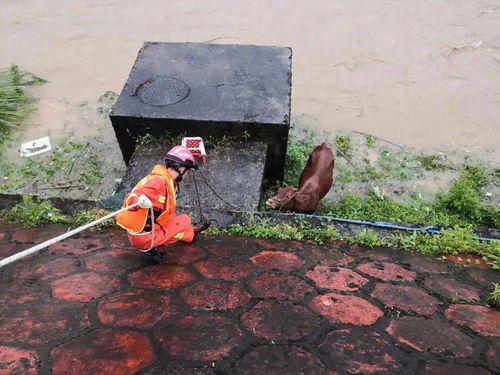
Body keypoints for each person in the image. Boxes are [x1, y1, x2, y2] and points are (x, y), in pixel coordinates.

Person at [116, 145, 210, 261]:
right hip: (145, 239)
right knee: (185, 220)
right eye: (188, 171)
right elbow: (130, 198)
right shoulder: (158, 183)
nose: (187, 175)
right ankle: (192, 231)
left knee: (175, 220)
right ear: (181, 168)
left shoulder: (164, 180)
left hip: (140, 234)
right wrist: (138, 201)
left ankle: (191, 231)